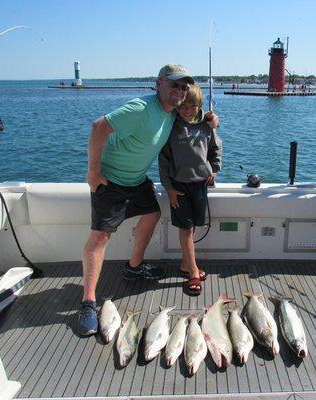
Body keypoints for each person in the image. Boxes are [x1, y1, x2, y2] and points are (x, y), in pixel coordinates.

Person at [77, 64, 218, 336]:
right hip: (112, 180)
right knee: (100, 238)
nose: (179, 90)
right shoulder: (141, 108)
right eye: (173, 84)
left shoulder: (173, 112)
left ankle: (134, 267)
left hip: (138, 180)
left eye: (183, 86)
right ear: (159, 85)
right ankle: (88, 302)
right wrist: (93, 172)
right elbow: (98, 128)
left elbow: (196, 120)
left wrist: (212, 120)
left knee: (152, 214)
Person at [158, 85, 222, 296]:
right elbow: (164, 160)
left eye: (192, 106)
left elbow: (215, 148)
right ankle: (193, 271)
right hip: (179, 187)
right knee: (185, 229)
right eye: (183, 106)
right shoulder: (171, 126)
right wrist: (169, 188)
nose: (187, 110)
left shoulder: (207, 125)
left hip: (200, 184)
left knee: (193, 227)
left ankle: (186, 266)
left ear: (199, 106)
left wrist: (213, 169)